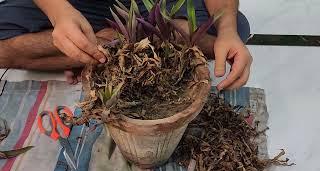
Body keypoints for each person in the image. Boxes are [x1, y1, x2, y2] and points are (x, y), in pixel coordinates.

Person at [0, 0, 252, 90]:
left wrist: (228, 31)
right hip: (80, 4)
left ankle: (116, 41)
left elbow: (229, 27)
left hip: (156, 2)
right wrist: (59, 13)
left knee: (233, 30)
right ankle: (121, 39)